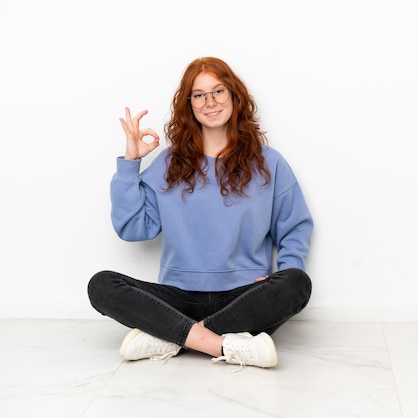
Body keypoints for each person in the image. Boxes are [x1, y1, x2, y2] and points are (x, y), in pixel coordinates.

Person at [87, 57, 313, 369]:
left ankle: (173, 336)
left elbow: (294, 229)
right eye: (199, 95)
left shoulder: (269, 163)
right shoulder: (168, 164)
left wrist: (281, 272)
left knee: (296, 282)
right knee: (101, 284)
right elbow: (133, 229)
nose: (210, 102)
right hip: (178, 297)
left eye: (218, 91)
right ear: (189, 105)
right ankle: (222, 344)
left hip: (242, 298)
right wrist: (130, 163)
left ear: (234, 96)